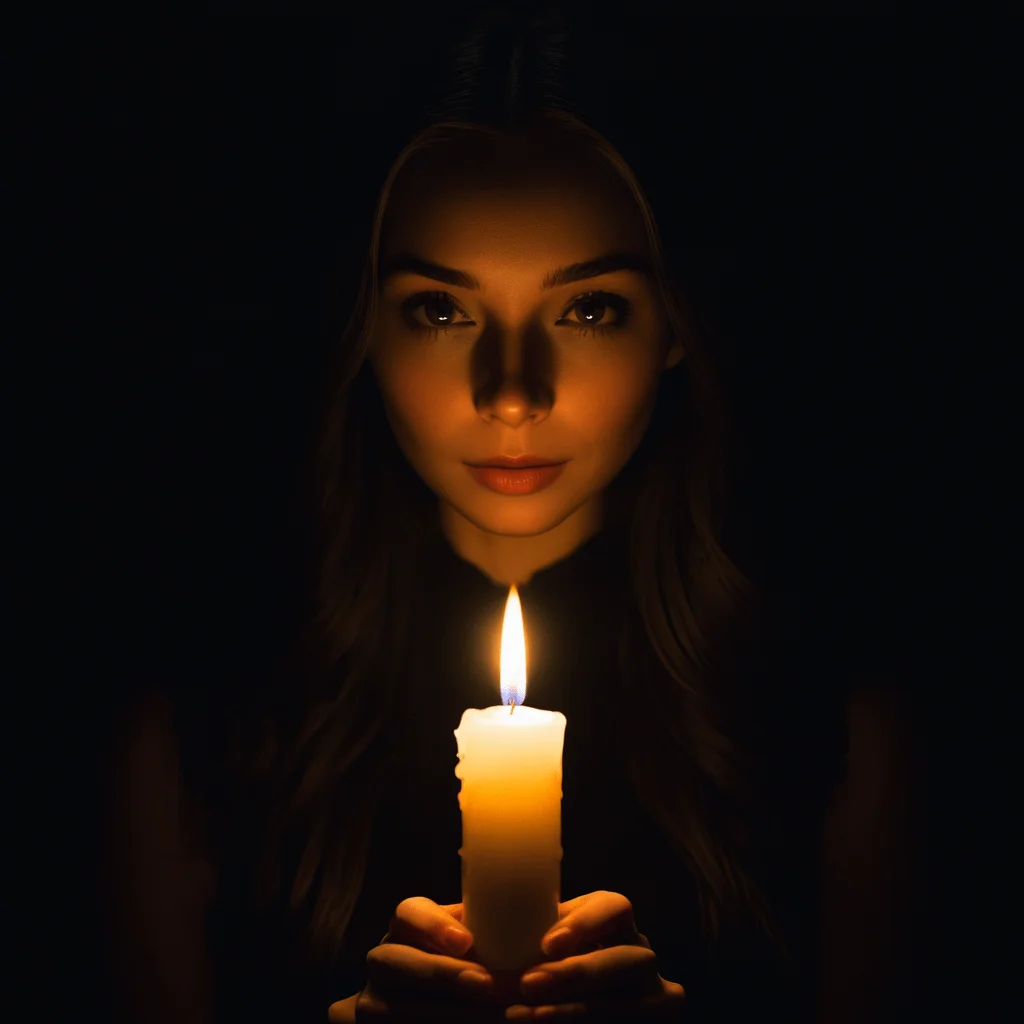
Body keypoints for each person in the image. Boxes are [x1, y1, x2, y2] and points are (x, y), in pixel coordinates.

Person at [98, 10, 922, 1024]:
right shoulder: (202, 738)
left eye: (588, 308)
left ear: (675, 325)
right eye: (442, 310)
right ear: (364, 327)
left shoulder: (827, 731)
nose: (513, 393)